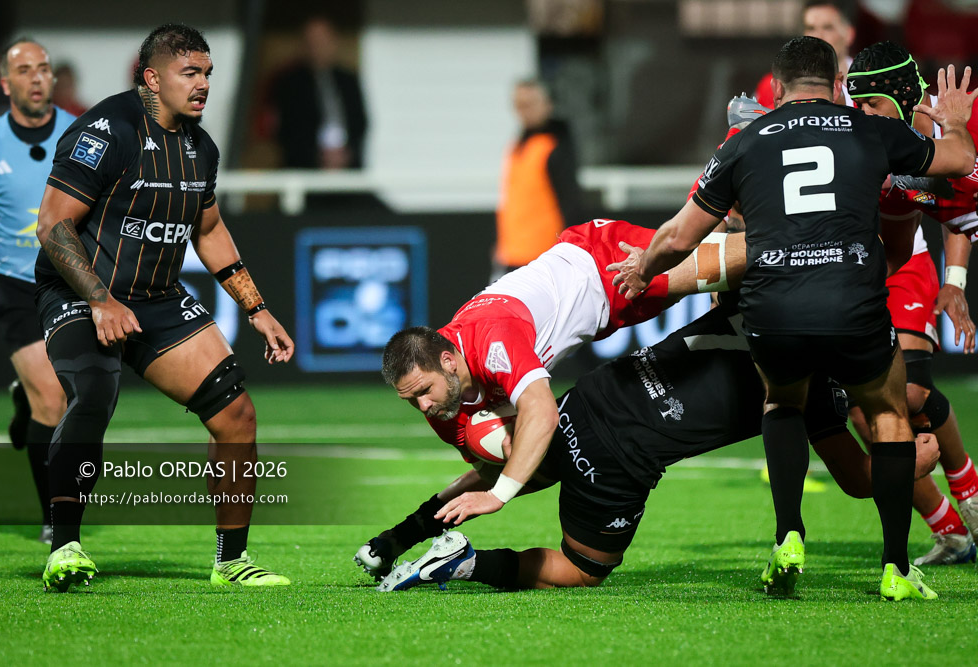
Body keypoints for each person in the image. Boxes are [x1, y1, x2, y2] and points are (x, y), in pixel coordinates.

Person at [609, 36, 977, 600]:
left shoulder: (746, 139)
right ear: (837, 88)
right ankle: (898, 567)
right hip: (853, 301)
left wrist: (644, 270)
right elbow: (958, 163)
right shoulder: (869, 130)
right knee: (887, 415)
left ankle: (788, 535)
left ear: (776, 89)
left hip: (773, 306)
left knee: (783, 403)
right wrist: (952, 120)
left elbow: (680, 235)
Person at [363, 297, 939, 592]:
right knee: (583, 569)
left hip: (595, 396)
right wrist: (916, 459)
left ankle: (397, 539)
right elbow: (860, 480)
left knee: (522, 458)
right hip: (625, 456)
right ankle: (464, 565)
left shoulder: (761, 300)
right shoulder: (824, 396)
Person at [34, 24, 295, 591]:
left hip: (154, 299)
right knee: (94, 394)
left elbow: (209, 228)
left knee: (238, 416)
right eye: (190, 73)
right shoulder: (108, 129)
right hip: (81, 291)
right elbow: (52, 224)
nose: (203, 85)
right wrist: (99, 299)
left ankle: (231, 561)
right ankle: (65, 545)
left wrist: (256, 308)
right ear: (152, 79)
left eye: (207, 74)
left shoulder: (201, 147)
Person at [378, 219, 744, 539]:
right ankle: (727, 209)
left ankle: (733, 162)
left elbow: (544, 414)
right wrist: (409, 531)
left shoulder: (493, 340)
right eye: (411, 400)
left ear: (448, 361)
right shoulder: (444, 397)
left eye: (423, 392)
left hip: (607, 267)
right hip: (595, 293)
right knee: (715, 257)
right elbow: (493, 470)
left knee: (758, 256)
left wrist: (500, 494)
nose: (422, 406)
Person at [846, 41, 978, 565]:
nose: (862, 116)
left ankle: (969, 497)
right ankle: (948, 530)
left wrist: (956, 281)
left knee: (915, 396)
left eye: (872, 105)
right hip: (853, 273)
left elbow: (961, 207)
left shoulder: (945, 128)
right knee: (863, 414)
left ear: (900, 97)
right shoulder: (848, 122)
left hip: (903, 268)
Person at [0, 38, 74, 545]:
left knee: (80, 402)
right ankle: (55, 519)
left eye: (43, 69)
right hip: (15, 285)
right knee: (53, 398)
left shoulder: (81, 136)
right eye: (25, 71)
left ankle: (25, 401)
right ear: (6, 84)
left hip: (69, 282)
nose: (36, 78)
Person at [492, 79, 583, 280]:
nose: (524, 111)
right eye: (519, 105)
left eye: (530, 104)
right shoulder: (519, 144)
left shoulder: (554, 146)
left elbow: (570, 201)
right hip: (512, 253)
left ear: (548, 105)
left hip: (543, 255)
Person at [271, 16, 367, 170]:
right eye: (313, 42)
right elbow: (287, 131)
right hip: (306, 169)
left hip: (347, 167)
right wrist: (318, 156)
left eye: (323, 41)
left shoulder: (348, 80)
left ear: (334, 42)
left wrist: (346, 154)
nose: (318, 47)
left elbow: (360, 123)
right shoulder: (290, 84)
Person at [754, 0, 857, 109]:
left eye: (828, 28)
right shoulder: (773, 86)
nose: (818, 36)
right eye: (811, 28)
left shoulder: (869, 82)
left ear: (849, 34)